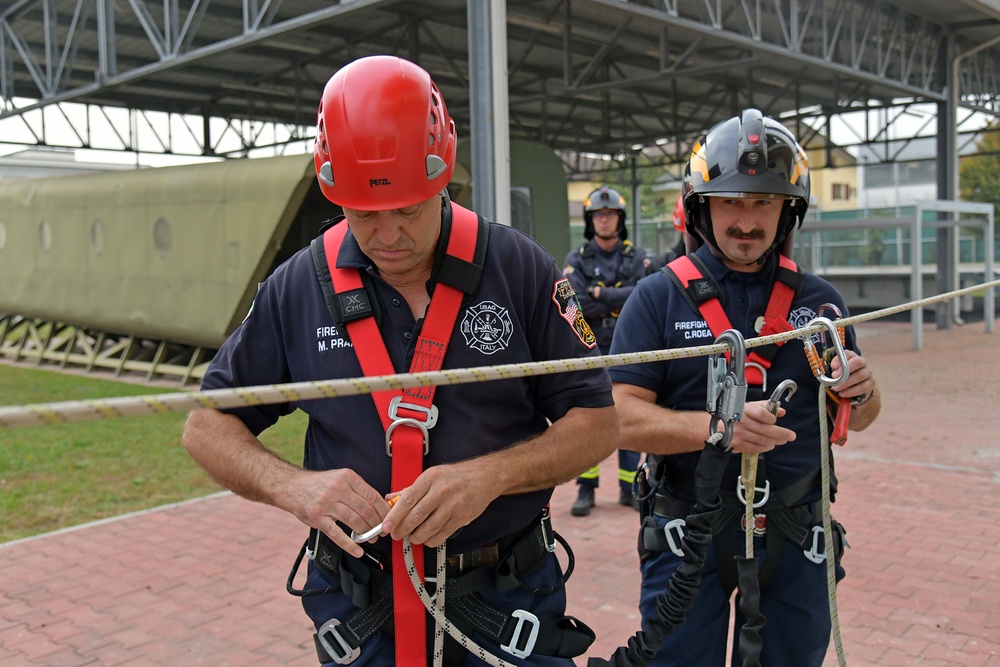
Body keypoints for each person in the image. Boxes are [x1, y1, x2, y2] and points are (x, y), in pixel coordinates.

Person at [181, 55, 618, 667]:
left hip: (505, 598)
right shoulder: (299, 286)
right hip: (363, 610)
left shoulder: (518, 269)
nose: (387, 235)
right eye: (362, 213)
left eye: (408, 209)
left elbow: (597, 421)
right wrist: (295, 488)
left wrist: (486, 479)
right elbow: (206, 426)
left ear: (443, 180)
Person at [608, 108, 882, 666]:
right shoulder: (658, 299)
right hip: (689, 532)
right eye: (731, 201)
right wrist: (716, 430)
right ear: (701, 207)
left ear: (788, 210)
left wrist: (863, 392)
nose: (747, 221)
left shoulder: (821, 303)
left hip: (796, 527)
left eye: (763, 202)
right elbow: (617, 416)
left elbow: (861, 414)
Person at [562, 185, 650, 516]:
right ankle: (586, 489)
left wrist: (600, 294)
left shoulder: (636, 256)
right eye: (598, 215)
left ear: (620, 219)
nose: (604, 221)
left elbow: (643, 298)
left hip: (630, 347)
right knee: (587, 418)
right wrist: (616, 298)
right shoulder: (577, 259)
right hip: (590, 347)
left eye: (609, 215)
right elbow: (577, 303)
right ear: (589, 220)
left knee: (629, 413)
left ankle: (629, 488)